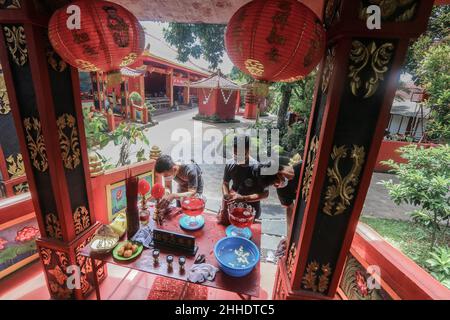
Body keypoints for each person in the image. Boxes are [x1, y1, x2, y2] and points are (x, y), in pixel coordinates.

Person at [218, 135, 269, 224]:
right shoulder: (230, 164)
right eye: (235, 154)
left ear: (249, 150)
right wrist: (226, 195)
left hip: (251, 209)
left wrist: (244, 198)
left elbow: (265, 194)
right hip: (232, 206)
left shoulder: (258, 169)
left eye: (241, 154)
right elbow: (225, 183)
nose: (238, 157)